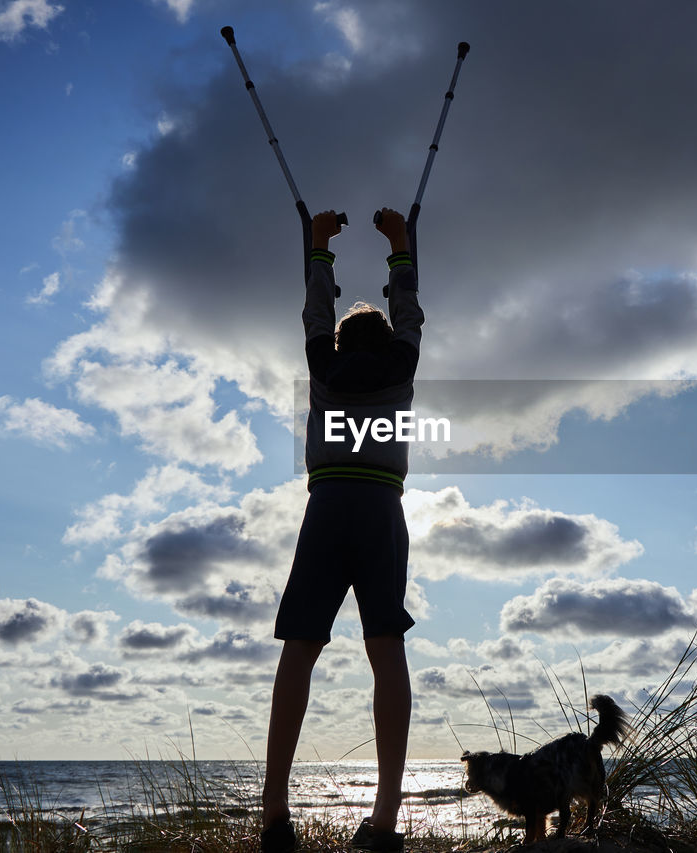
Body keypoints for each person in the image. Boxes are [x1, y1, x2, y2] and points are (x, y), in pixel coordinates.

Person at [260, 208, 423, 853]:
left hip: (327, 507)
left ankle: (274, 813)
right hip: (381, 510)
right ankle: (385, 819)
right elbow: (409, 312)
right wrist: (401, 247)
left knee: (299, 649)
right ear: (383, 342)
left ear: (339, 342)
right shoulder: (402, 365)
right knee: (386, 650)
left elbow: (314, 314)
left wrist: (320, 247)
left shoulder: (323, 368)